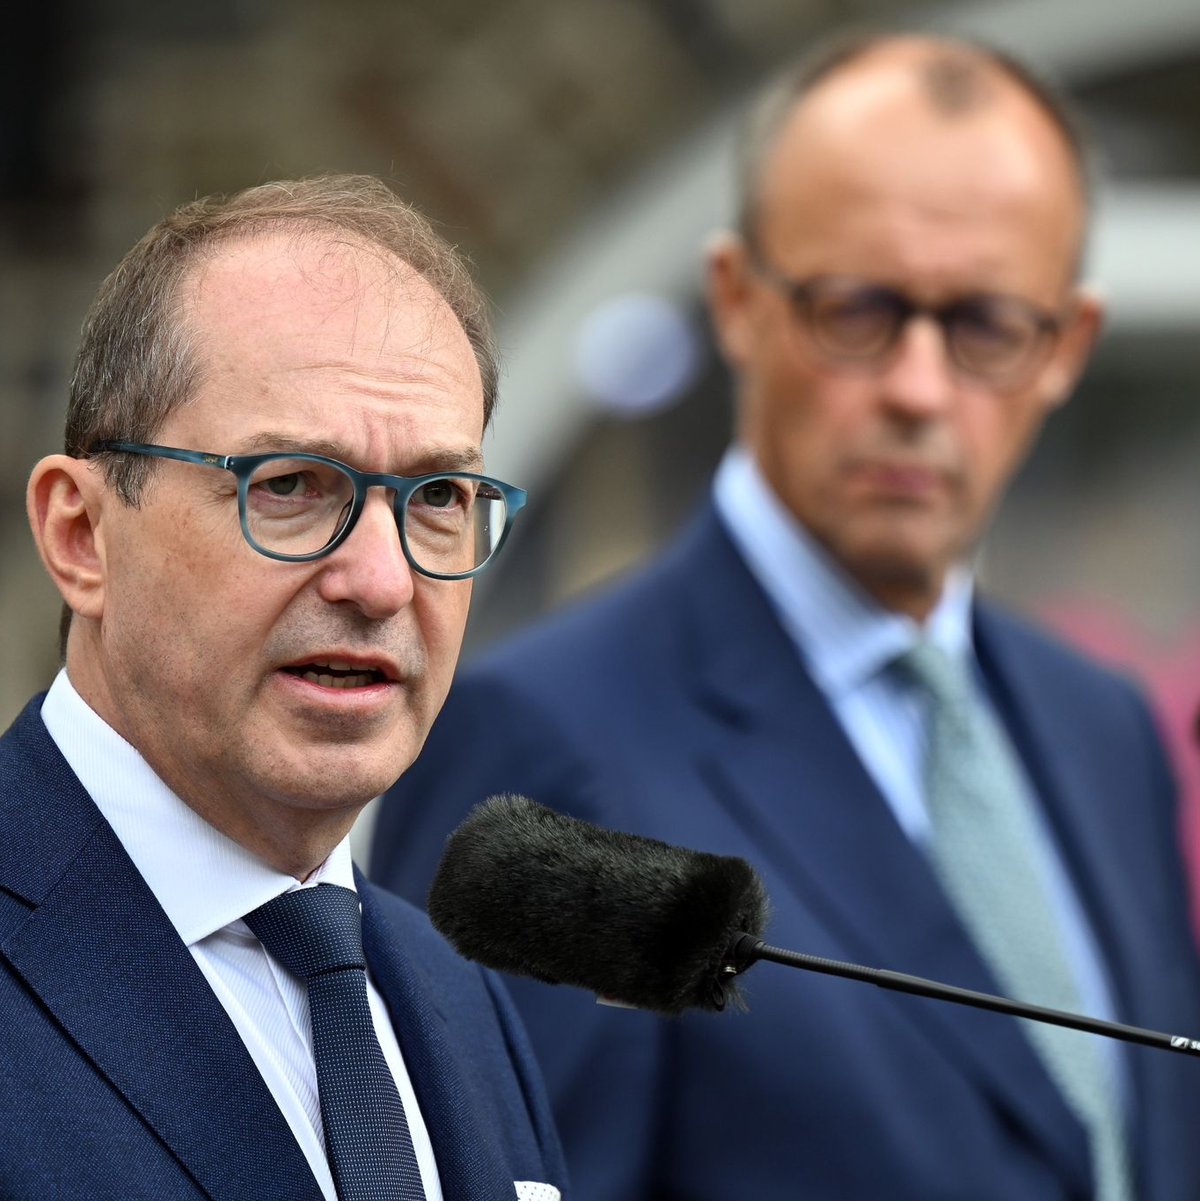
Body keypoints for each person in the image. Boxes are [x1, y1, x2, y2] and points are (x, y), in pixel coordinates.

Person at [370, 34, 1200, 1201]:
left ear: (1066, 347)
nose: (917, 387)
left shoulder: (1102, 729)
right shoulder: (548, 743)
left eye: (986, 326)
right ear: (737, 302)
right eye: (857, 308)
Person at [2, 175, 567, 1201]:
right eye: (293, 486)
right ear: (81, 535)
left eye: (439, 496)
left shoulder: (456, 995)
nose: (383, 580)